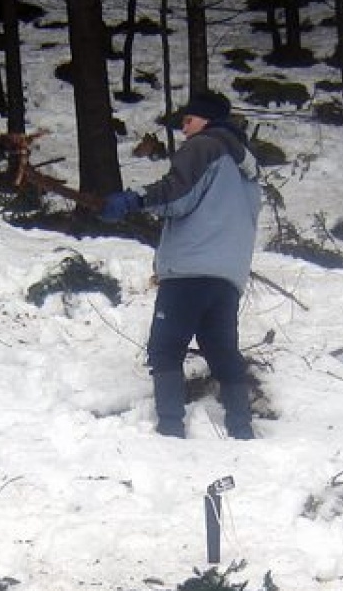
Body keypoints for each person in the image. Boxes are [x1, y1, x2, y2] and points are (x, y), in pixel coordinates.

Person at [100, 91, 262, 439]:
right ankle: (241, 428)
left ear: (207, 119)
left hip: (190, 269)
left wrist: (135, 200)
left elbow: (178, 194)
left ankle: (170, 429)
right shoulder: (247, 169)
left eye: (189, 120)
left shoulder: (205, 146)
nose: (184, 129)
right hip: (228, 277)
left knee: (166, 347)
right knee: (223, 352)